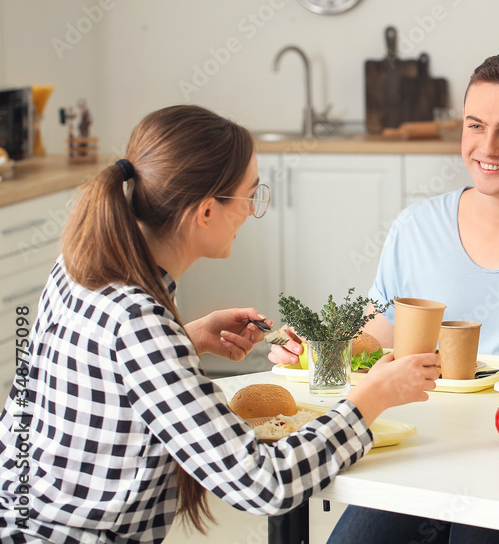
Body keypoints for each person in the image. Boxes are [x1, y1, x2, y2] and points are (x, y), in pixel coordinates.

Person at [0, 105, 439, 543]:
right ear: (207, 212)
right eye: (250, 195)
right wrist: (371, 398)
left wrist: (185, 339)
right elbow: (264, 483)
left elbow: (91, 373)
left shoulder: (82, 267)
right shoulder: (140, 319)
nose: (252, 210)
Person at [270, 52, 499, 370]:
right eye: (475, 126)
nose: (487, 148)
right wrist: (315, 349)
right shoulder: (415, 228)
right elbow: (377, 340)